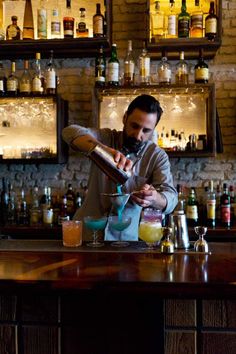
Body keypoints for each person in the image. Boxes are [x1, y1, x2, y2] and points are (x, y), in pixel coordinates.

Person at [62, 94, 178, 240]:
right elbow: (69, 132)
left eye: (146, 130)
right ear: (125, 118)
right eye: (134, 126)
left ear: (154, 129)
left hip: (125, 240)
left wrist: (154, 198)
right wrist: (103, 151)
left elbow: (171, 198)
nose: (138, 135)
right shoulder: (106, 138)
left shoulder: (156, 156)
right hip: (88, 235)